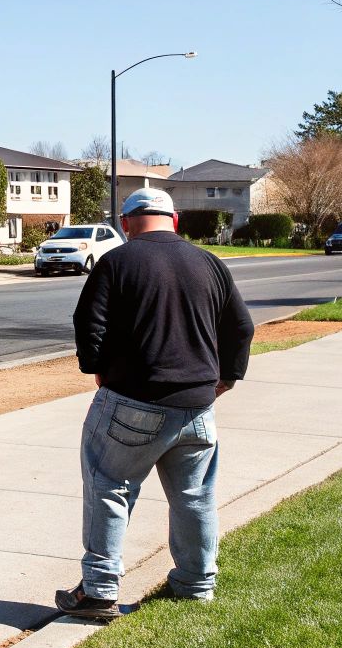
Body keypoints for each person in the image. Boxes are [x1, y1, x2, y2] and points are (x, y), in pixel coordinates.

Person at [56, 187, 254, 620]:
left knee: (110, 488)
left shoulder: (117, 261)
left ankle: (100, 592)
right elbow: (241, 326)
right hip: (199, 408)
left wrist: (97, 368)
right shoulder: (210, 263)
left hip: (132, 401)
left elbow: (89, 323)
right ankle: (195, 584)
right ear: (175, 220)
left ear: (126, 223)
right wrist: (227, 378)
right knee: (195, 497)